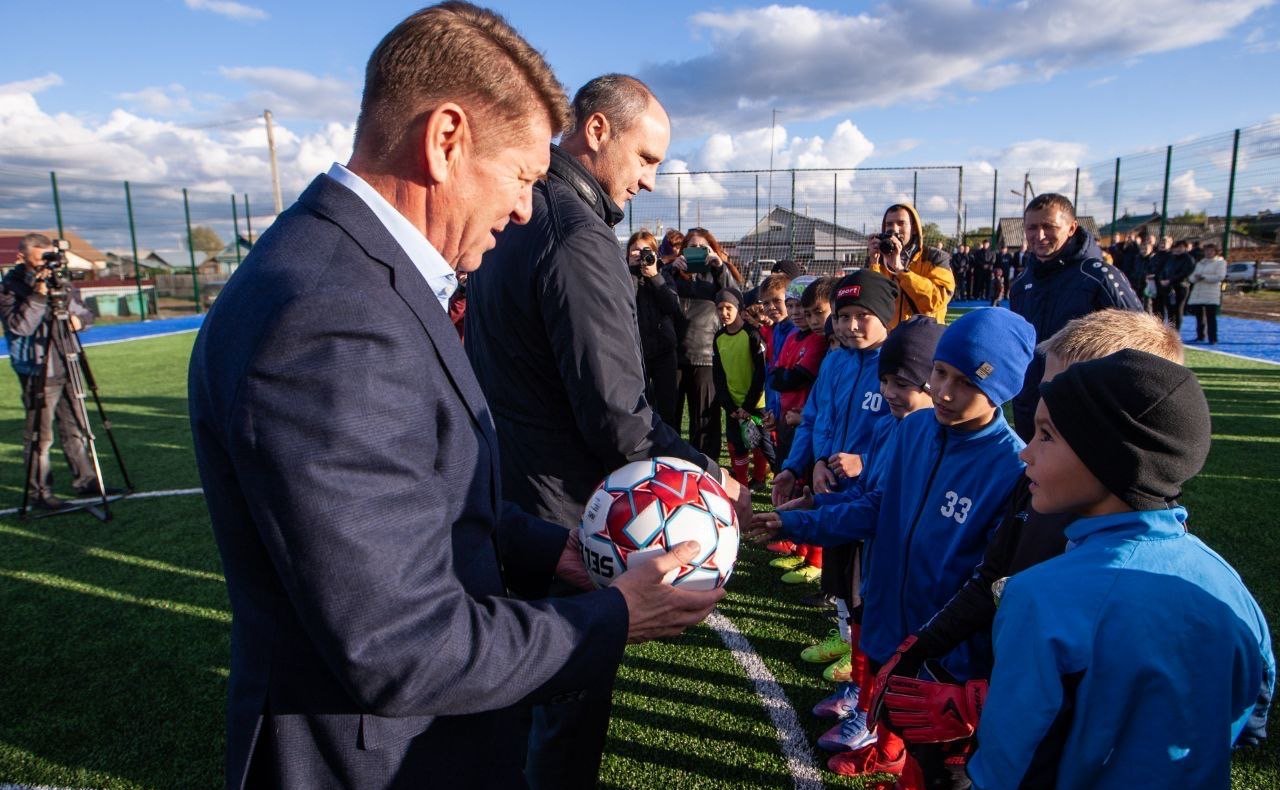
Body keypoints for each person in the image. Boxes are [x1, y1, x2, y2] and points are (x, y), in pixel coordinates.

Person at [187, 8, 725, 789]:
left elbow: (421, 493)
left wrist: (554, 549)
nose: (522, 210)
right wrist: (614, 618)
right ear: (446, 141)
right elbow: (396, 645)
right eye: (521, 178)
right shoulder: (329, 319)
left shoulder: (356, 272)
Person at [462, 73, 748, 789]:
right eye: (647, 158)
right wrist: (703, 475)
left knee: (518, 706)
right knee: (563, 720)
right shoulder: (574, 233)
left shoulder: (521, 215)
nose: (651, 182)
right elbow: (618, 416)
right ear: (596, 132)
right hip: (560, 517)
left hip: (507, 500)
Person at [869, 309, 1187, 784]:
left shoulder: (1152, 580)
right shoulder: (1035, 490)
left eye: (1049, 429)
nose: (1026, 449)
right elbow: (990, 581)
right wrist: (922, 649)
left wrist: (989, 697)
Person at [749, 307, 1036, 784]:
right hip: (887, 624)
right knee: (887, 714)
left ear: (1001, 388)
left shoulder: (1012, 468)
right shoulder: (914, 429)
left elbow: (992, 584)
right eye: (939, 373)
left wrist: (956, 666)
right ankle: (888, 759)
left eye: (965, 382)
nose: (943, 391)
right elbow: (874, 507)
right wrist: (795, 522)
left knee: (939, 766)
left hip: (945, 658)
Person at [967, 350, 1273, 788]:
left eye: (1046, 435)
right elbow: (1251, 712)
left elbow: (1008, 765)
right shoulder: (1227, 583)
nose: (1026, 453)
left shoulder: (1041, 596)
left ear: (1109, 455)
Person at [1008, 193, 1141, 442]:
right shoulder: (1021, 285)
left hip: (1083, 406)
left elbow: (1142, 341)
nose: (1039, 235)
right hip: (1030, 405)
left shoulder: (1099, 277)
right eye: (1032, 227)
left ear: (1071, 228)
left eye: (1049, 226)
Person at [0, 232, 104, 510]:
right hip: (37, 369)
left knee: (77, 427)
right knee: (40, 436)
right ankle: (40, 493)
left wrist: (79, 321)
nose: (45, 267)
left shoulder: (61, 282)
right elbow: (19, 327)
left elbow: (85, 313)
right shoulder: (10, 287)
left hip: (67, 361)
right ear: (21, 258)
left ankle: (86, 480)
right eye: (38, 261)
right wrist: (37, 296)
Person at [669, 226, 744, 459]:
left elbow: (734, 296)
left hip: (705, 355)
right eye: (693, 247)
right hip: (674, 355)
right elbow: (656, 295)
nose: (698, 252)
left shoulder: (719, 274)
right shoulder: (671, 273)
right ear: (683, 250)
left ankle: (705, 468)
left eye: (703, 247)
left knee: (705, 420)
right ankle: (670, 465)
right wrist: (670, 270)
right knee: (669, 417)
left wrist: (719, 267)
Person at [711, 288, 774, 490]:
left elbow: (760, 374)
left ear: (739, 308)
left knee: (761, 444)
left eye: (728, 307)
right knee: (736, 445)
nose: (724, 313)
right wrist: (730, 406)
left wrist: (748, 405)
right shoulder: (718, 338)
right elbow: (718, 376)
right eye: (719, 308)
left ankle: (760, 479)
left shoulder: (752, 334)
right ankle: (741, 486)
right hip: (733, 406)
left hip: (756, 403)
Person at [626, 229, 681, 426]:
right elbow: (624, 304)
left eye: (646, 251)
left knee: (667, 407)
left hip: (663, 350)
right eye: (636, 251)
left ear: (655, 253)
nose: (641, 256)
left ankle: (668, 449)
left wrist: (655, 276)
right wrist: (631, 271)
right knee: (638, 405)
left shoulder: (664, 274)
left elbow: (672, 306)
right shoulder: (622, 276)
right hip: (635, 351)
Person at [865, 203, 955, 324]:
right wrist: (874, 263)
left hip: (925, 335)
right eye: (889, 224)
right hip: (889, 337)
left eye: (901, 223)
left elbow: (935, 300)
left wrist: (901, 270)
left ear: (913, 228)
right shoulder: (878, 259)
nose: (894, 229)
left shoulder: (935, 257)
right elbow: (871, 301)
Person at [1188, 241, 1227, 344]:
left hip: (1211, 294)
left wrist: (1204, 277)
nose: (1208, 253)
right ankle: (1200, 336)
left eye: (1211, 251)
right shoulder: (1200, 263)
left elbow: (1220, 276)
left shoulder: (1220, 262)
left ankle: (1213, 338)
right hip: (1198, 292)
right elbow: (1192, 277)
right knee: (1199, 317)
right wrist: (1195, 278)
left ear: (1216, 252)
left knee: (1211, 317)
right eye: (1206, 251)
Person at [1158, 238, 1196, 331]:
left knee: (1178, 309)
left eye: (1180, 247)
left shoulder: (1188, 259)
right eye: (1176, 247)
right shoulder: (1171, 258)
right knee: (1169, 309)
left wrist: (1170, 280)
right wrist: (1162, 279)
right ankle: (1170, 330)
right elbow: (1164, 270)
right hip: (1169, 287)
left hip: (1181, 287)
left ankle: (1176, 331)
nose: (1178, 249)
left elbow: (1185, 273)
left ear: (1185, 248)